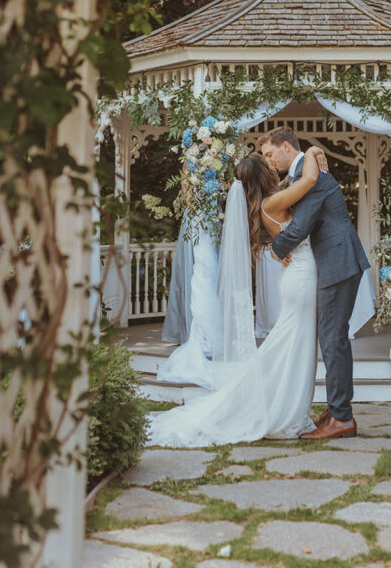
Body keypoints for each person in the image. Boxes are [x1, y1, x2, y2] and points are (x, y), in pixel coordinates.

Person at [148, 147, 325, 447]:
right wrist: (312, 150)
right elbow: (308, 180)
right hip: (301, 280)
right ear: (264, 175)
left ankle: (288, 406)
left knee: (293, 346)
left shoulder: (268, 202)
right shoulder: (274, 201)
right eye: (268, 165)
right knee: (292, 346)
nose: (273, 166)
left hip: (297, 277)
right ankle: (283, 410)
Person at [262, 126, 370, 441]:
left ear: (285, 146)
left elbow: (300, 228)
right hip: (334, 261)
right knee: (333, 339)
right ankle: (339, 410)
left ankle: (341, 418)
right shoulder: (303, 175)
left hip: (337, 261)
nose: (269, 162)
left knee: (332, 339)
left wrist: (274, 250)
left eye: (270, 154)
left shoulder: (314, 177)